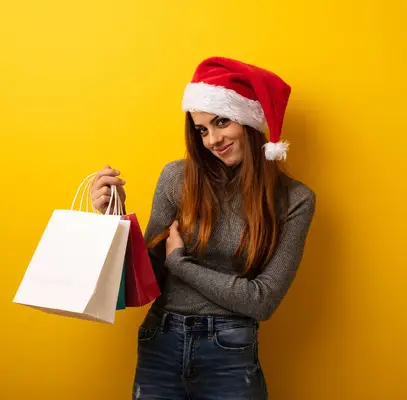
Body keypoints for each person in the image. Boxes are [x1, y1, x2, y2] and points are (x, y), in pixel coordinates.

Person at [91, 57, 316, 399]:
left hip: (231, 352)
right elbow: (146, 276)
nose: (212, 140)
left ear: (250, 122)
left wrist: (181, 263)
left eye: (222, 122)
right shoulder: (176, 178)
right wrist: (111, 216)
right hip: (160, 343)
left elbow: (262, 301)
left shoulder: (295, 200)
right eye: (202, 130)